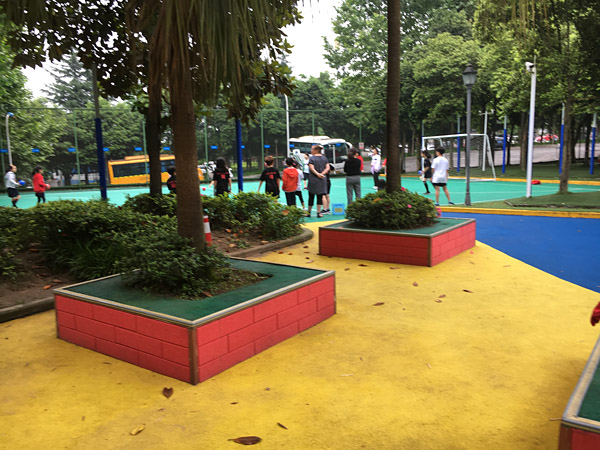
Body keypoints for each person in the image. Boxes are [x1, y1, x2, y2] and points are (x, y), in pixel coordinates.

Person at [307, 144, 329, 218]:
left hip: (313, 180)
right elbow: (327, 168)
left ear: (316, 150)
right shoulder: (325, 158)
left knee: (311, 196)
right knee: (320, 196)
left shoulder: (311, 158)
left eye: (312, 149)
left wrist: (317, 174)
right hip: (322, 179)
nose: (311, 151)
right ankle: (318, 213)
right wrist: (322, 174)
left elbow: (311, 168)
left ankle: (309, 212)